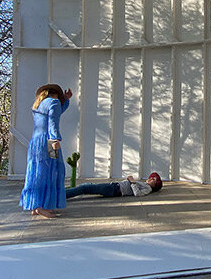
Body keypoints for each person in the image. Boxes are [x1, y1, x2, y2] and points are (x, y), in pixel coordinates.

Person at [19, 83, 73, 219]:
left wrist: (66, 101)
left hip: (36, 142)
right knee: (51, 171)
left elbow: (56, 113)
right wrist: (55, 139)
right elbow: (53, 122)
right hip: (48, 142)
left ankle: (35, 206)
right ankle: (43, 206)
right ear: (56, 95)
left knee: (37, 171)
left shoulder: (38, 104)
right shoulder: (54, 103)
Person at [66, 173, 163, 199]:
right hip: (114, 186)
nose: (151, 179)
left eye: (154, 180)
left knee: (85, 188)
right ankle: (64, 193)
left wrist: (132, 182)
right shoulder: (145, 184)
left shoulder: (148, 188)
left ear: (155, 186)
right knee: (87, 186)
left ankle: (63, 195)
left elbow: (138, 194)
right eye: (152, 177)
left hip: (114, 189)